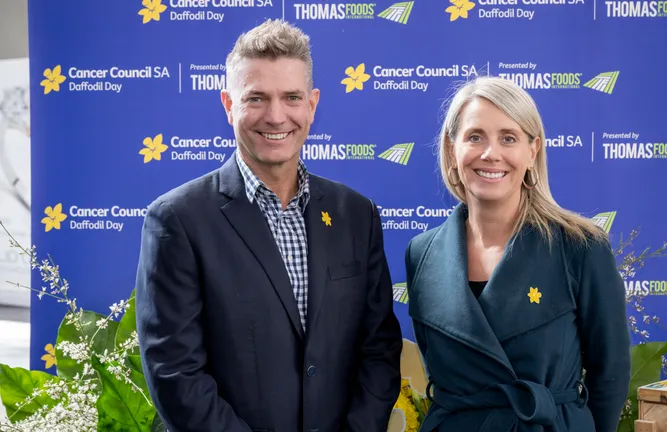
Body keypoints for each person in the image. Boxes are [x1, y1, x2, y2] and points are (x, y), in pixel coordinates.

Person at [134, 19, 403, 432]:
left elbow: (379, 350)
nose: (276, 116)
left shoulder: (356, 214)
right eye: (256, 98)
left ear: (312, 104)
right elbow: (176, 373)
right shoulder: (177, 220)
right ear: (228, 104)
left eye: (291, 97)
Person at [405, 77, 631, 431]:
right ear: (452, 150)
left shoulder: (580, 246)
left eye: (508, 138)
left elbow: (611, 373)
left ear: (532, 151)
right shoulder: (422, 253)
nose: (490, 153)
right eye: (474, 136)